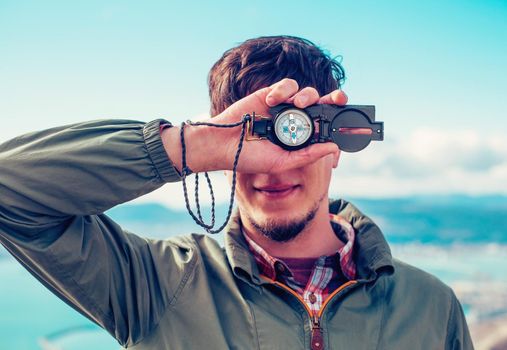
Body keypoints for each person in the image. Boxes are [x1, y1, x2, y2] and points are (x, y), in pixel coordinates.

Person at [0, 36, 473, 349]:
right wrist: (192, 145)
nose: (271, 165)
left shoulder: (431, 306)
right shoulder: (155, 283)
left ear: (338, 142)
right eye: (251, 137)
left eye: (299, 134)